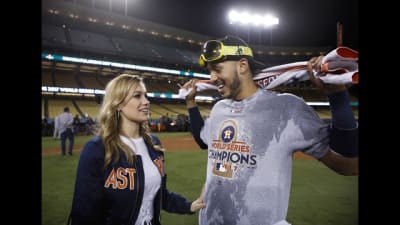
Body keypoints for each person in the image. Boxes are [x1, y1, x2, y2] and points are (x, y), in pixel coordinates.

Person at [182, 35, 358, 225]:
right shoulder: (219, 109)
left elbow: (349, 165)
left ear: (242, 66)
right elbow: (203, 141)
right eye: (210, 71)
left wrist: (337, 95)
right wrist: (190, 102)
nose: (212, 78)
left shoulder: (287, 108)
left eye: (217, 69)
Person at [70, 74, 205, 225]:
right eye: (137, 96)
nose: (146, 102)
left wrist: (189, 206)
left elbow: (160, 195)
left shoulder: (154, 144)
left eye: (145, 96)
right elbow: (84, 213)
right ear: (118, 103)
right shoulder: (97, 149)